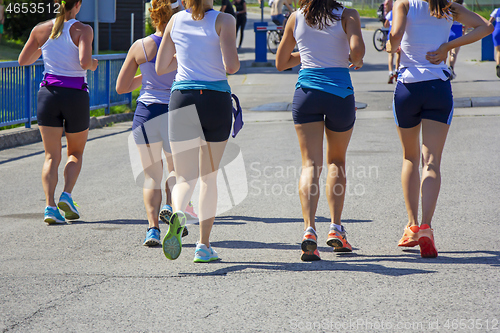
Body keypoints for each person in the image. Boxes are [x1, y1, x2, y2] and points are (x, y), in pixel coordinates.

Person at [387, 0, 493, 257]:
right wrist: (447, 46)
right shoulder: (448, 6)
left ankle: (411, 226)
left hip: (409, 86)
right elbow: (486, 27)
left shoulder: (405, 3)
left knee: (410, 157)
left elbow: (394, 37)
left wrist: (393, 45)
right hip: (438, 85)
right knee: (431, 161)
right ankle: (427, 227)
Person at [276, 0, 365, 261]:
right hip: (339, 94)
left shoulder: (296, 17)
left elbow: (281, 62)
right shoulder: (348, 15)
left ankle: (309, 232)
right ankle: (336, 229)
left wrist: (309, 52)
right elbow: (357, 54)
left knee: (309, 165)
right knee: (336, 161)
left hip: (307, 94)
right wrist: (349, 57)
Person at [156, 0, 239, 262]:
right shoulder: (224, 21)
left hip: (182, 97)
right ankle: (203, 246)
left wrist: (187, 55)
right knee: (208, 178)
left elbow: (160, 67)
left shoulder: (175, 21)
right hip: (215, 99)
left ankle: (178, 211)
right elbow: (232, 66)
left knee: (184, 177)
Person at [116, 0, 198, 247]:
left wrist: (148, 76)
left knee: (151, 175)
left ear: (153, 17)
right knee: (176, 171)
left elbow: (122, 87)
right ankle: (172, 209)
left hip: (146, 112)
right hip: (176, 110)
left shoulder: (140, 47)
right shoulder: (185, 45)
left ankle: (152, 229)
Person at [18, 0, 98, 224]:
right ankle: (67, 195)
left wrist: (44, 50)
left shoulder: (40, 29)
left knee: (51, 156)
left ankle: (50, 207)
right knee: (75, 153)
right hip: (75, 95)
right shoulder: (83, 30)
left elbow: (23, 60)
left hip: (48, 96)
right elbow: (84, 62)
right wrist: (94, 64)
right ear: (78, 4)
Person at [447, 0, 465, 79]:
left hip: (448, 30)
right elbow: (467, 23)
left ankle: (443, 68)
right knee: (454, 53)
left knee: (445, 51)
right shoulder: (462, 9)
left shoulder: (448, 8)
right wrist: (464, 29)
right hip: (457, 31)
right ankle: (451, 67)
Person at [385, 9, 401, 83]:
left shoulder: (390, 13)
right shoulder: (401, 11)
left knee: (391, 55)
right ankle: (397, 70)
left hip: (390, 36)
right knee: (398, 53)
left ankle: (390, 72)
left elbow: (386, 25)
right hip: (399, 35)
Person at [489, 7, 500, 77]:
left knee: (498, 51)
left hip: (497, 31)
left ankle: (498, 65)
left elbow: (489, 22)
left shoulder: (496, 10)